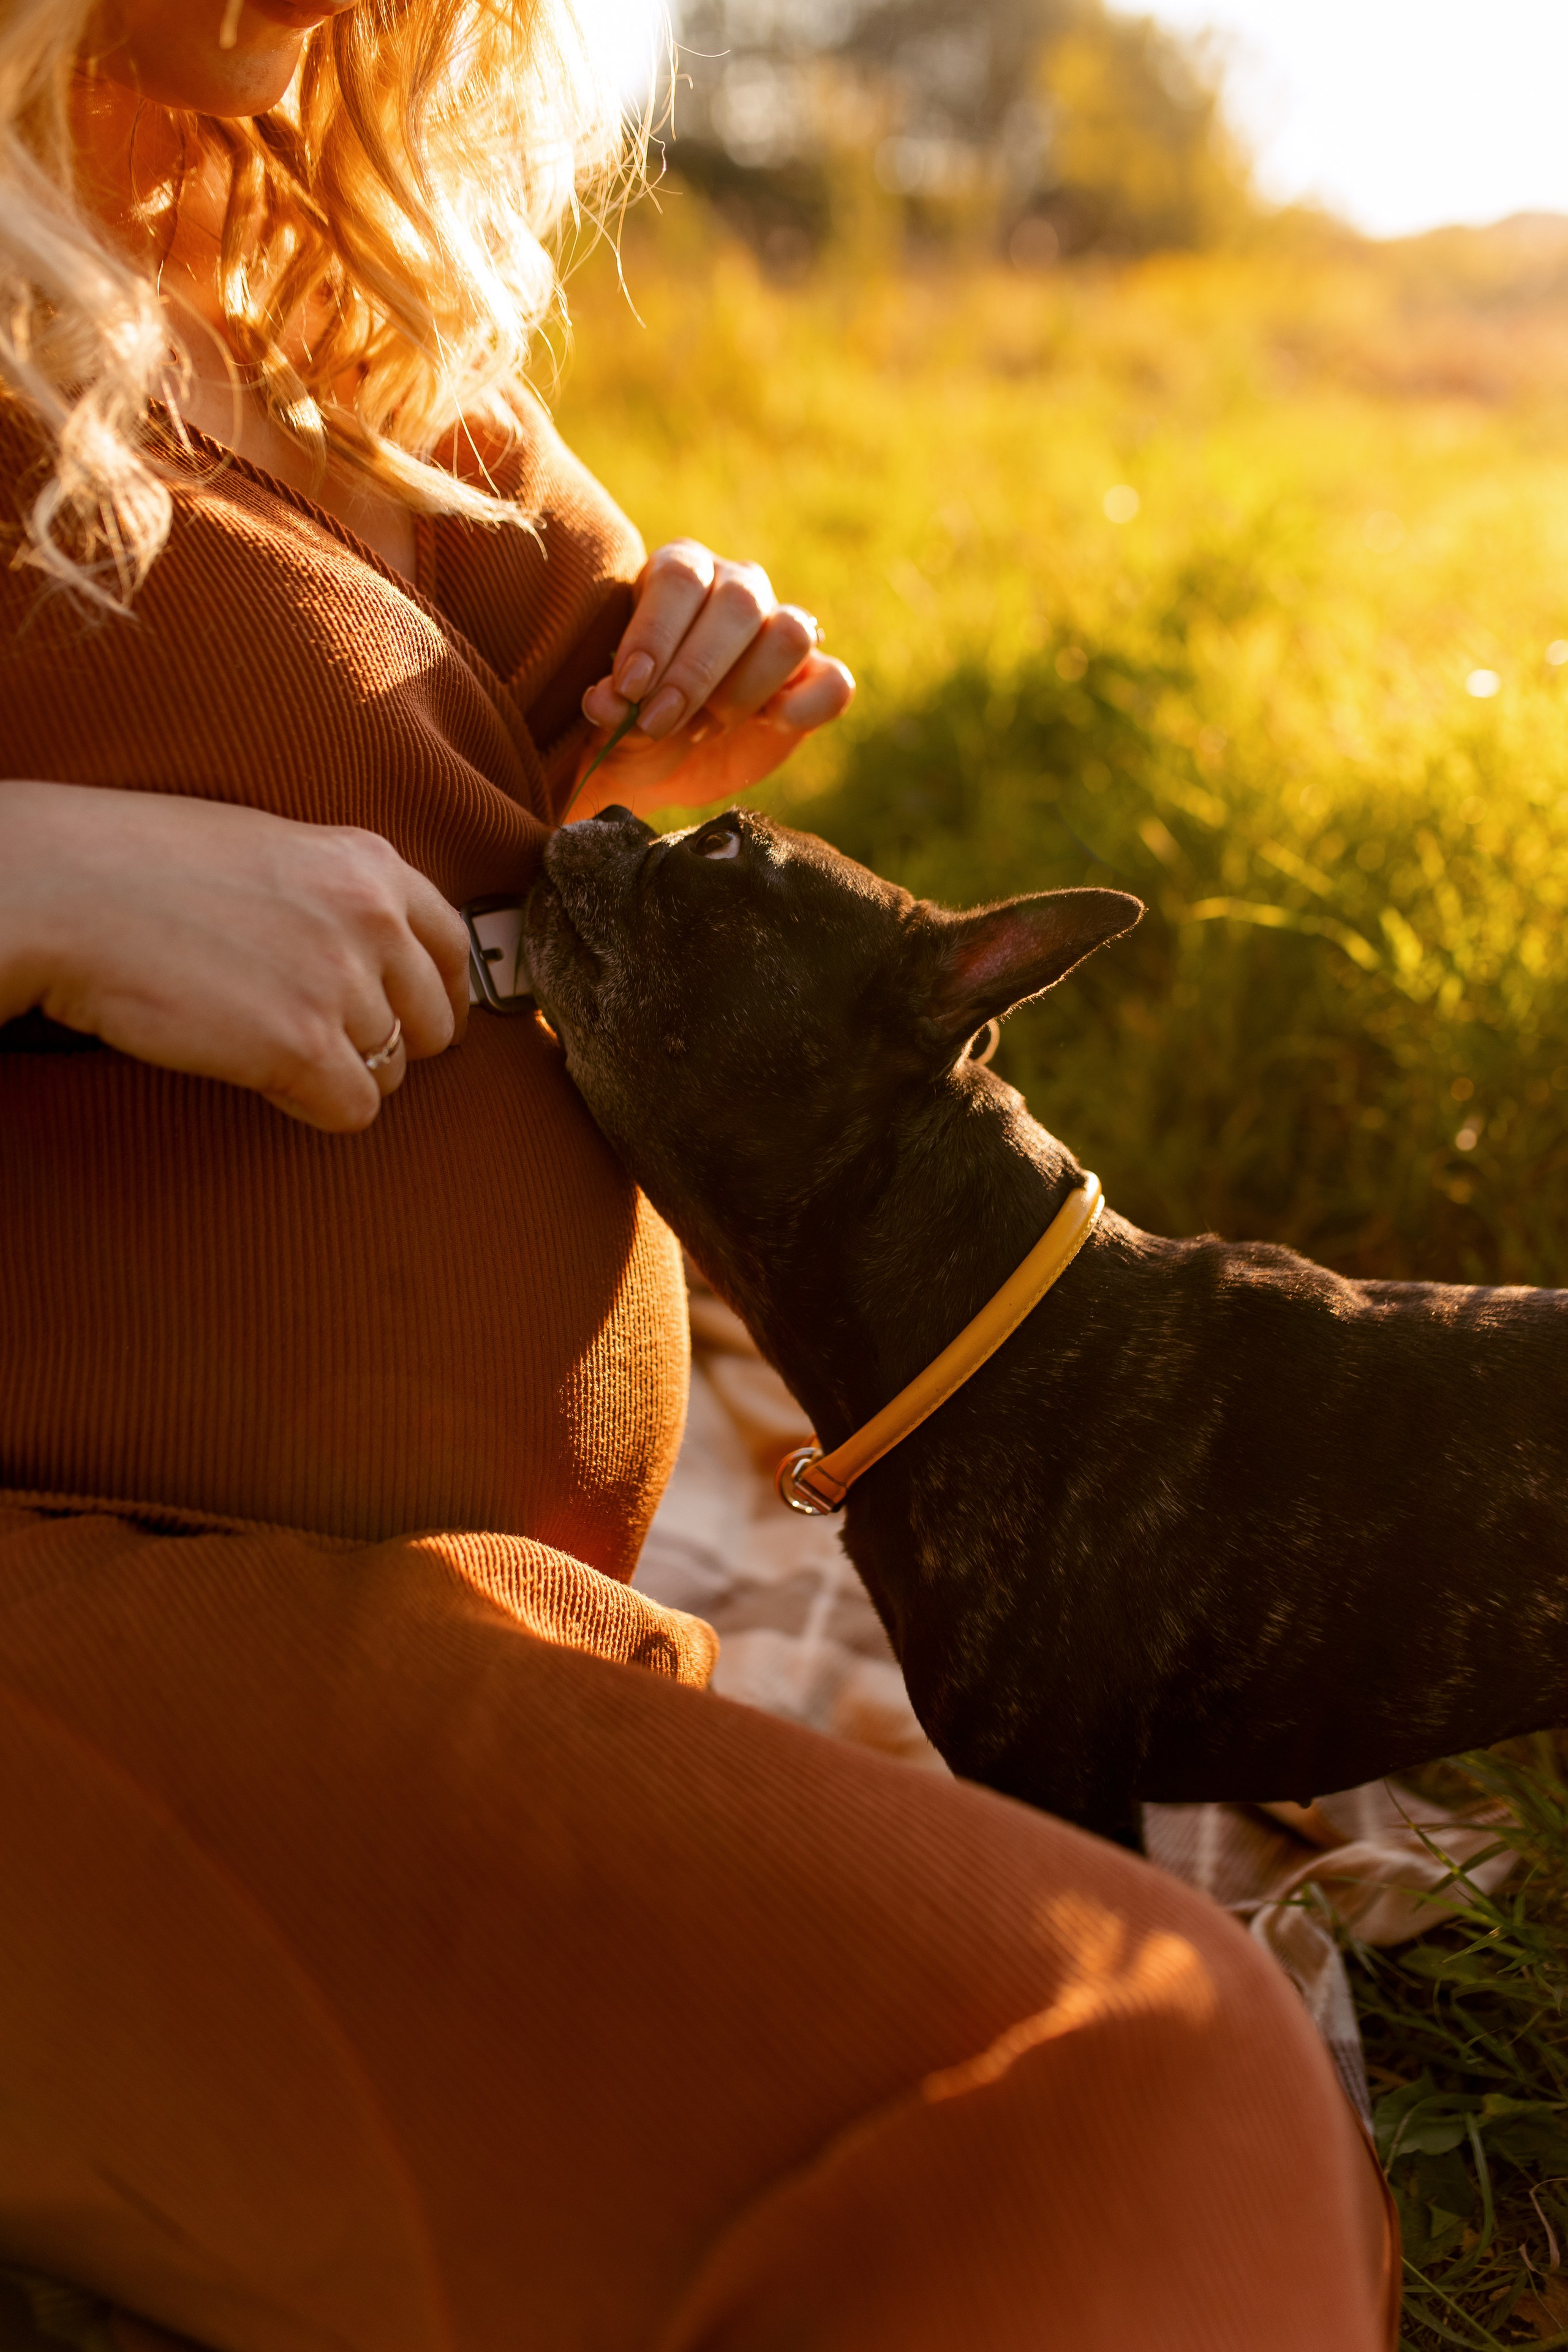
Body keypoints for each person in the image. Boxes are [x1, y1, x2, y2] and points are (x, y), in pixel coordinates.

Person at [0, 5, 1398, 2346]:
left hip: (477, 1628)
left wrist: (653, 730)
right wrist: (43, 883)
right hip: (88, 1590)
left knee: (1125, 2082)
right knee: (1116, 2085)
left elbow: (487, 760)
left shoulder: (328, 292)